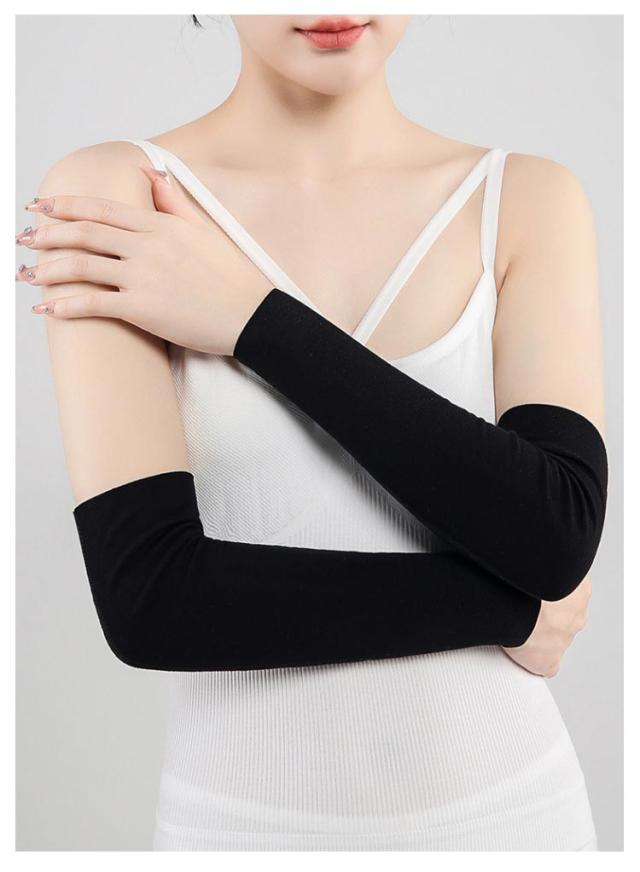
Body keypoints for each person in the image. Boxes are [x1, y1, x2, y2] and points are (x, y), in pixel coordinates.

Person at [18, 15, 606, 851]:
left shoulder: (526, 200)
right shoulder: (122, 197)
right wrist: (508, 610)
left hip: (519, 819)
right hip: (240, 833)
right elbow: (153, 599)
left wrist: (255, 320)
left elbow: (554, 533)